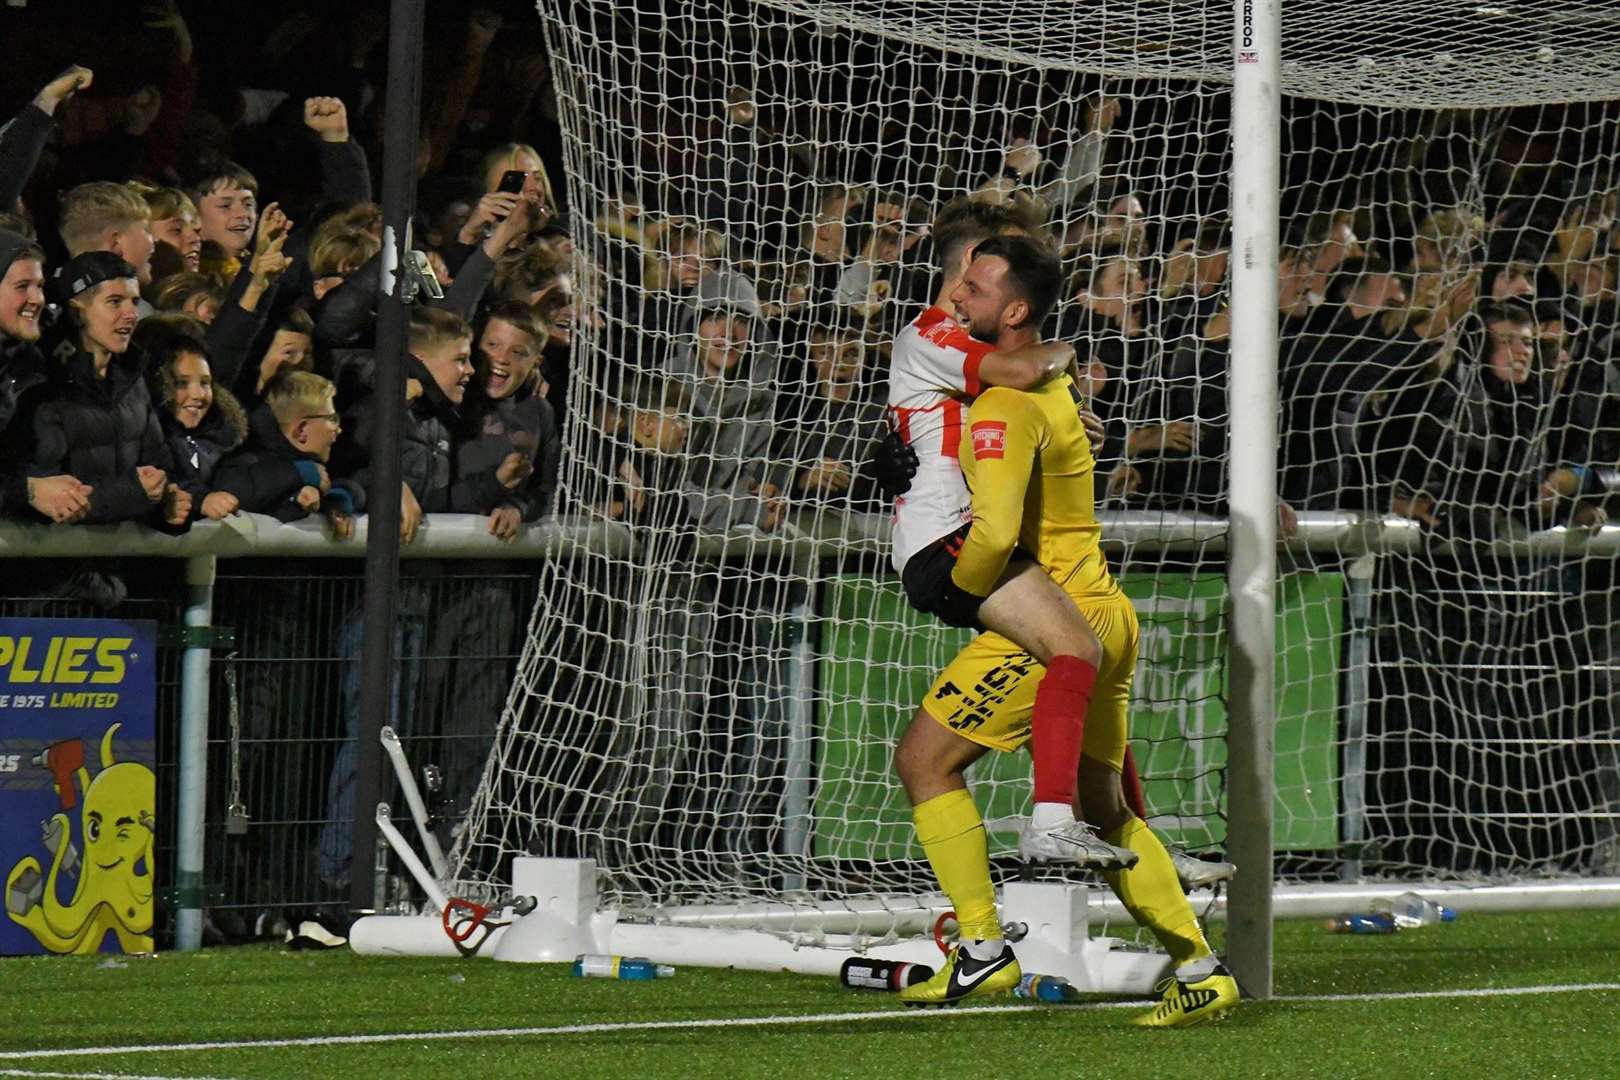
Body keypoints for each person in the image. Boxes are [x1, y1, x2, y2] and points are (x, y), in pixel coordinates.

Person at [894, 235, 1238, 1027]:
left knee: (924, 761)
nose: (958, 297)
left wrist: (962, 593)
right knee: (1106, 803)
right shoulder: (1053, 383)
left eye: (974, 288)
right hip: (1108, 606)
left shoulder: (1007, 404)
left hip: (1055, 623)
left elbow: (993, 533)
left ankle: (982, 947)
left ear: (1013, 312)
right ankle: (1199, 966)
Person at [885, 195, 1135, 868]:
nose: (976, 290)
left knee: (1083, 681)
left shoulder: (960, 345)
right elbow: (1023, 371)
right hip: (953, 543)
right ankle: (1051, 826)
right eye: (982, 273)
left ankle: (1127, 835)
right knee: (1077, 649)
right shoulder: (934, 334)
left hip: (965, 541)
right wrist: (1067, 354)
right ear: (966, 265)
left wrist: (1065, 425)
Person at [24, 252, 189, 528]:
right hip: (60, 566)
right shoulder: (46, 386)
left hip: (122, 566)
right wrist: (136, 495)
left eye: (134, 302)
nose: (131, 315)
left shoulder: (134, 379)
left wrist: (167, 503)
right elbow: (51, 500)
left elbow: (160, 467)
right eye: (115, 302)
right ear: (77, 312)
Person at [0, 230, 90, 523]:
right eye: (22, 286)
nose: (36, 299)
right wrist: (26, 490)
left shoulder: (33, 364)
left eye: (39, 286)